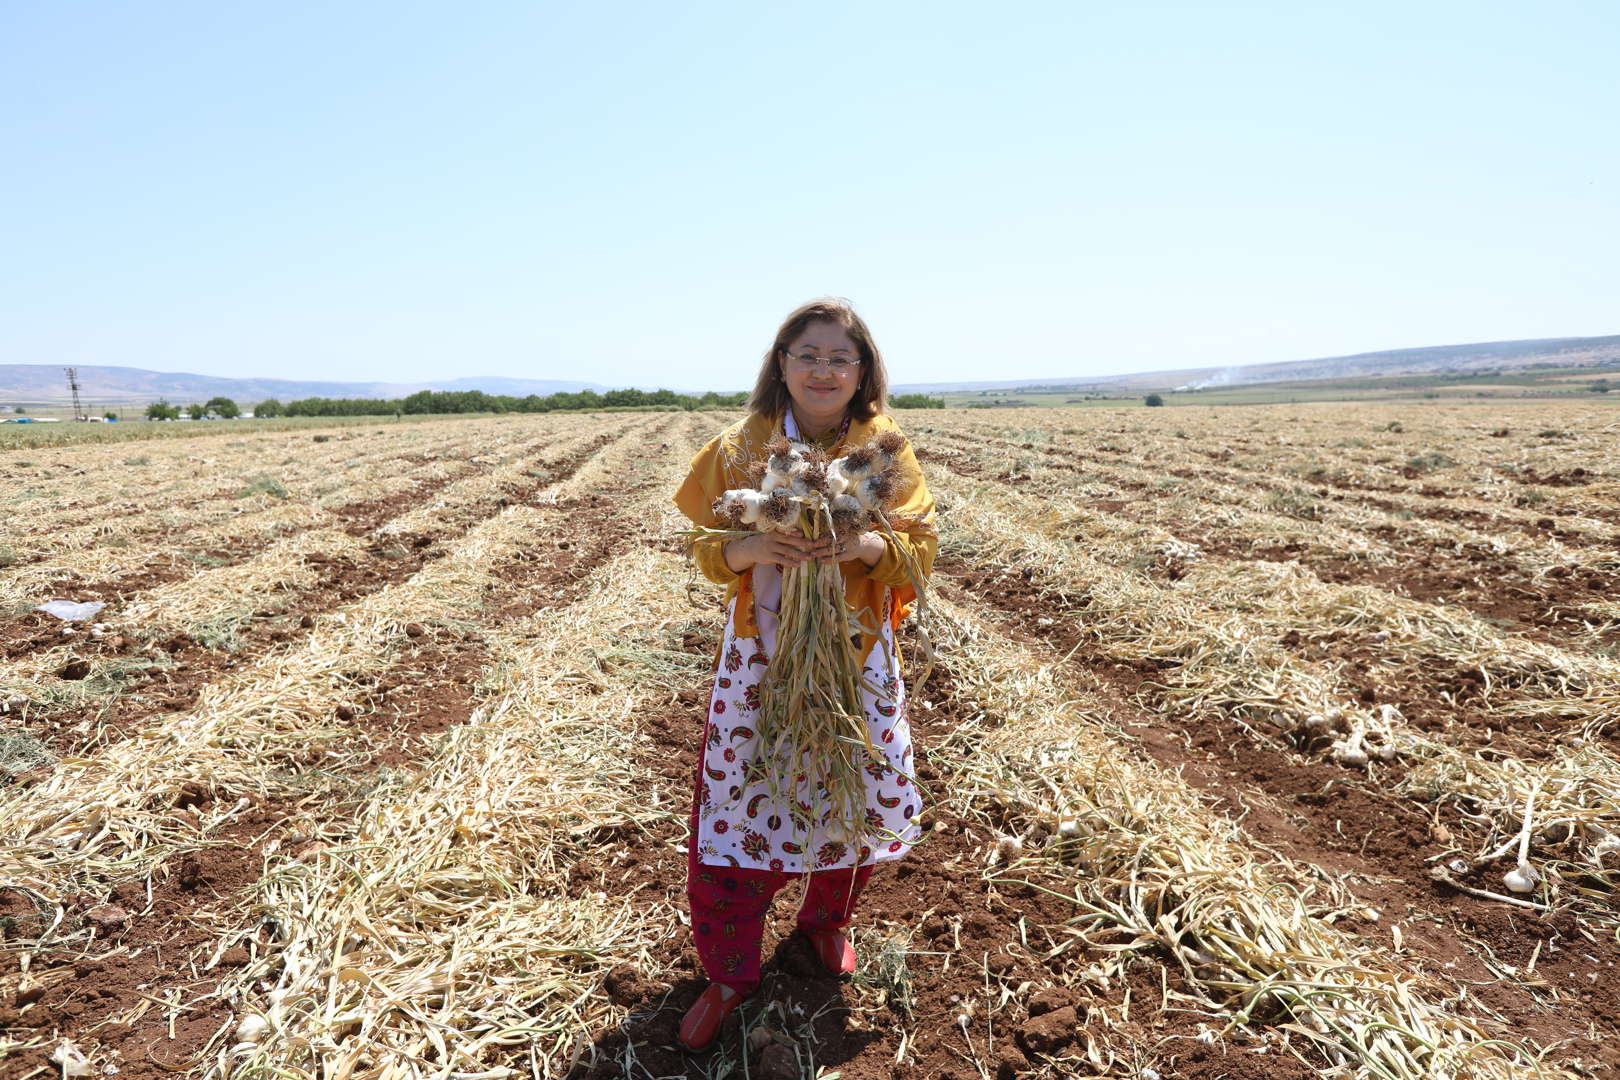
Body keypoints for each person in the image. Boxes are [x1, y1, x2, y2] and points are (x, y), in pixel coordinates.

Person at [670, 297, 937, 1051]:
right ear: (781, 363)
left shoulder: (884, 452)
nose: (823, 370)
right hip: (763, 657)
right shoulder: (740, 447)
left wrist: (866, 551)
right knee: (743, 802)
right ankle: (730, 973)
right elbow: (706, 545)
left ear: (862, 374)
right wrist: (747, 554)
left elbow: (924, 552)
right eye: (807, 354)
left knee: (852, 793)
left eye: (839, 359)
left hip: (855, 658)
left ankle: (827, 924)